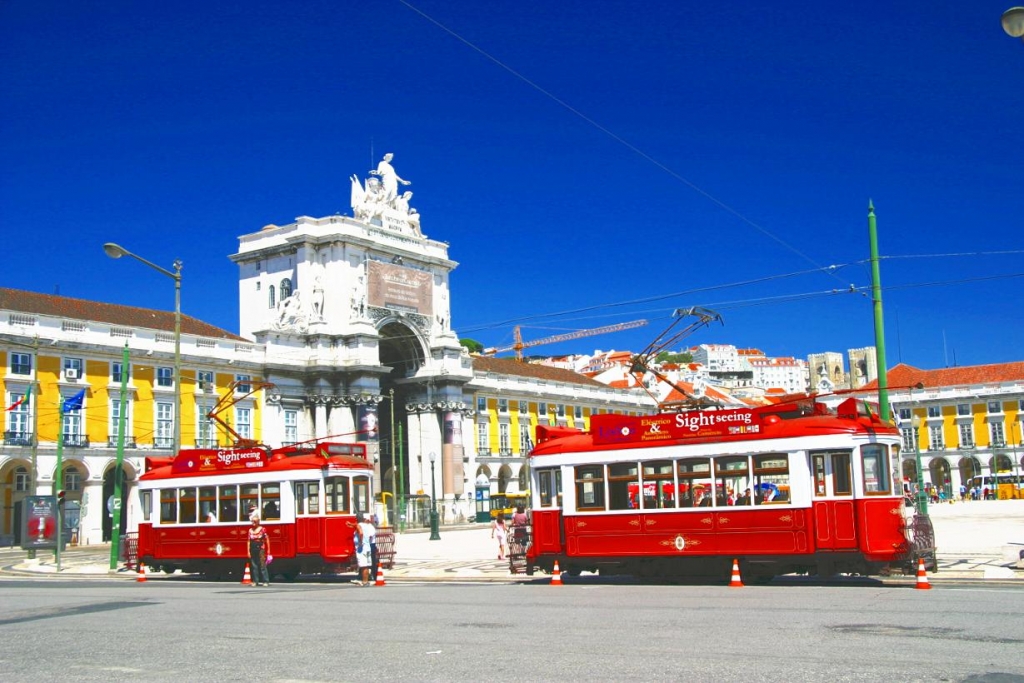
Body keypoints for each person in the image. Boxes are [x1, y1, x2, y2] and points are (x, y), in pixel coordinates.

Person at [248, 515, 271, 587]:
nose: (253, 523)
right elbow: (248, 541)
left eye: (255, 521)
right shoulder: (250, 530)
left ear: (258, 522)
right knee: (254, 566)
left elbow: (267, 539)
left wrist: (268, 550)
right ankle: (255, 581)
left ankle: (266, 581)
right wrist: (248, 551)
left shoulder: (262, 529)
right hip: (253, 549)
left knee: (262, 565)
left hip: (261, 549)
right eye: (252, 521)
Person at [351, 514, 373, 586]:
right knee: (366, 565)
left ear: (356, 519)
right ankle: (366, 581)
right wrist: (350, 524)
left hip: (362, 548)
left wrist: (360, 542)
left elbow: (360, 533)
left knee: (363, 566)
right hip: (367, 547)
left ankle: (365, 581)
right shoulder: (366, 525)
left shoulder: (359, 526)